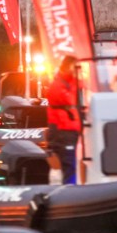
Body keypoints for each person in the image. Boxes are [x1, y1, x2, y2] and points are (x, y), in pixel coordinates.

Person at [45, 56, 80, 185]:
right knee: (68, 165)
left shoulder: (72, 83)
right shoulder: (57, 86)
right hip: (62, 131)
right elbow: (69, 100)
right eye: (74, 67)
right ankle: (68, 192)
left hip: (72, 130)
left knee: (73, 164)